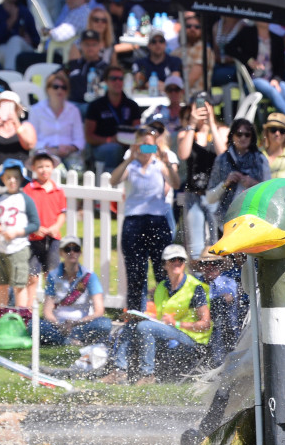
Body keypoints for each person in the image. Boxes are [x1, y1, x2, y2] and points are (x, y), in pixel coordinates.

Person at [102, 244, 210, 385]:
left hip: (192, 341)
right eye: (173, 260)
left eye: (180, 260)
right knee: (132, 325)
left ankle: (148, 375)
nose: (177, 262)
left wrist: (176, 323)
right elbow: (162, 318)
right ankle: (119, 371)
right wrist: (148, 317)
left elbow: (205, 324)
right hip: (169, 334)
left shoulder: (196, 288)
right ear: (165, 265)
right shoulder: (161, 287)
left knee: (145, 327)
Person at [110, 126, 180, 311]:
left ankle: (167, 312)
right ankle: (134, 313)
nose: (146, 149)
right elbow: (113, 180)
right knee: (135, 270)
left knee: (161, 269)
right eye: (143, 145)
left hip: (157, 219)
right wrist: (131, 158)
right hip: (134, 220)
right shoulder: (130, 164)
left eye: (150, 145)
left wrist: (166, 162)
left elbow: (175, 183)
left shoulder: (160, 163)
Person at [39, 236, 112, 346]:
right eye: (67, 249)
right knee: (34, 325)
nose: (72, 252)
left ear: (80, 252)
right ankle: (71, 340)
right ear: (61, 253)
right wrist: (59, 324)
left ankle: (63, 339)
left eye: (76, 249)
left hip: (81, 323)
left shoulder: (89, 276)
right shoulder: (53, 276)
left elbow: (99, 311)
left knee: (105, 324)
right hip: (58, 324)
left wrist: (75, 323)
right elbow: (47, 310)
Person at [176, 101, 227, 258]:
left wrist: (211, 122)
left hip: (215, 195)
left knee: (217, 245)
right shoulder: (187, 134)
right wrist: (191, 123)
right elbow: (183, 155)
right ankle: (198, 280)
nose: (202, 113)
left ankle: (217, 281)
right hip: (194, 194)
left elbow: (223, 154)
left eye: (206, 109)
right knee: (195, 247)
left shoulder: (222, 131)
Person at [0, 159, 40, 309]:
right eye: (9, 177)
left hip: (18, 247)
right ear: (3, 179)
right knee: (1, 284)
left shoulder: (26, 200)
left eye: (16, 177)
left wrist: (18, 232)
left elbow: (35, 224)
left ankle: (21, 317)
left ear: (21, 180)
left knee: (19, 285)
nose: (12, 181)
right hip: (0, 247)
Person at [206, 118, 271, 227]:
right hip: (225, 221)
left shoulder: (260, 159)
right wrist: (225, 183)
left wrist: (253, 184)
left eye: (247, 134)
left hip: (254, 220)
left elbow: (269, 192)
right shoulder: (222, 160)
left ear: (252, 137)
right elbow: (209, 198)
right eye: (239, 134)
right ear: (232, 135)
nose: (243, 138)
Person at [85, 66, 143, 174]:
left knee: (152, 149)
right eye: (113, 78)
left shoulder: (132, 105)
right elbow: (89, 137)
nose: (117, 82)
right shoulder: (96, 105)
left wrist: (128, 140)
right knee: (114, 149)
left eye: (120, 79)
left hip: (130, 145)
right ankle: (111, 184)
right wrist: (110, 140)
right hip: (104, 147)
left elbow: (138, 133)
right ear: (106, 81)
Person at [28, 70, 85, 168]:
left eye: (64, 87)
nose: (60, 90)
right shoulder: (36, 110)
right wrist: (48, 149)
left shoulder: (74, 110)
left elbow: (80, 139)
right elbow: (32, 139)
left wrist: (70, 148)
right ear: (48, 89)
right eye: (55, 87)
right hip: (44, 152)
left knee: (77, 171)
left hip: (69, 153)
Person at [194, 248, 239, 367]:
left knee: (220, 309)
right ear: (201, 266)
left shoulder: (229, 282)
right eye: (205, 264)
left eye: (215, 263)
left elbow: (229, 297)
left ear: (221, 265)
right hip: (200, 328)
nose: (210, 266)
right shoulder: (195, 284)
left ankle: (219, 363)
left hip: (224, 327)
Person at [0, 91, 36, 167]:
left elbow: (29, 145)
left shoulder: (26, 126)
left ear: (16, 108)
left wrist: (16, 124)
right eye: (2, 105)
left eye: (10, 106)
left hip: (20, 172)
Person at [66, 29, 109, 109]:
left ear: (100, 45)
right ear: (81, 45)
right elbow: (56, 78)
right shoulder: (72, 64)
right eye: (87, 44)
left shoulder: (106, 68)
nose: (90, 47)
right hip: (71, 106)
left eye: (94, 44)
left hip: (96, 108)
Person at [173, 13, 212, 98]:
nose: (192, 29)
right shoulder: (177, 51)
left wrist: (172, 91)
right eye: (188, 26)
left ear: (202, 30)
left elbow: (190, 81)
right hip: (175, 95)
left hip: (197, 99)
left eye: (197, 27)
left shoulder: (204, 49)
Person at [132, 30, 183, 94]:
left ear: (165, 44)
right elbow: (139, 83)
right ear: (148, 45)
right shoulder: (139, 63)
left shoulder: (175, 61)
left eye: (161, 41)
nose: (158, 44)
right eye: (154, 42)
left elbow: (175, 86)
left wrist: (153, 85)